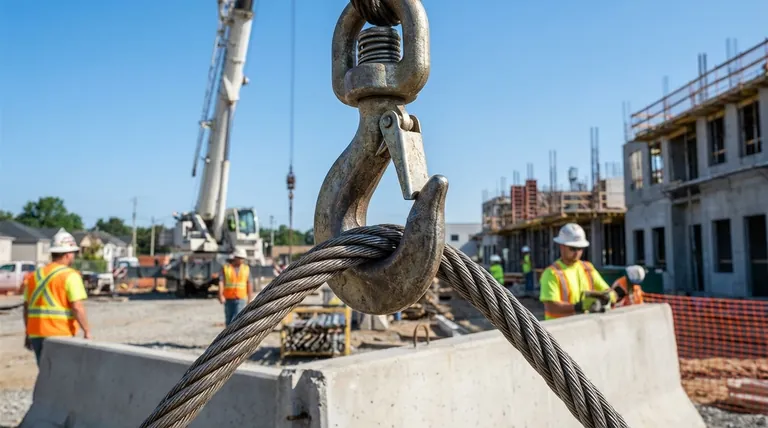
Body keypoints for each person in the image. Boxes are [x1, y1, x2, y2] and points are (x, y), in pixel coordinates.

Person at [22, 230, 92, 366]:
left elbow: (26, 308)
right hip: (60, 333)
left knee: (46, 374)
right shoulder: (70, 276)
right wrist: (87, 331)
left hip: (36, 332)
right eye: (73, 253)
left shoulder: (34, 276)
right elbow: (77, 307)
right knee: (61, 375)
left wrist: (28, 332)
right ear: (67, 254)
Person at [539, 223, 617, 320]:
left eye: (580, 248)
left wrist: (608, 297)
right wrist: (579, 307)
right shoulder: (551, 273)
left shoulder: (587, 268)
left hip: (583, 326)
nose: (577, 253)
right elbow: (551, 307)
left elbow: (608, 291)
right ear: (562, 247)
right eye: (573, 248)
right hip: (560, 329)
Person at [218, 247, 253, 326]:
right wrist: (221, 295)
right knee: (229, 320)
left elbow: (249, 283)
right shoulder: (226, 268)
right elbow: (221, 282)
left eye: (243, 258)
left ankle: (236, 337)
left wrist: (250, 298)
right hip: (229, 298)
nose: (242, 260)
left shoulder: (246, 269)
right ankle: (228, 337)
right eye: (240, 258)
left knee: (237, 319)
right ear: (235, 258)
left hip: (241, 298)